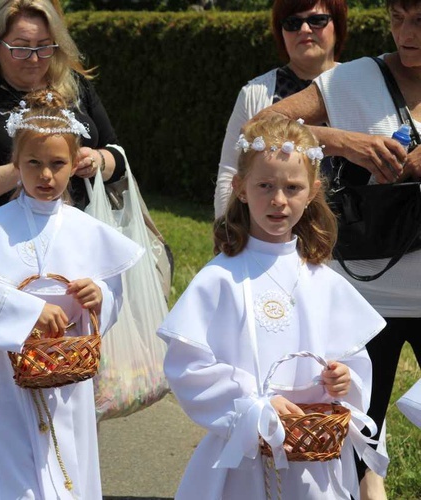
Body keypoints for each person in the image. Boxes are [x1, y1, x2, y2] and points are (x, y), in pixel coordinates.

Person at [158, 116, 387, 500]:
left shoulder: (322, 279)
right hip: (246, 456)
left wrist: (344, 380)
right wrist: (255, 403)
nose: (279, 200)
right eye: (265, 185)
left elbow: (353, 360)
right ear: (241, 188)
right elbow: (188, 364)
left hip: (313, 456)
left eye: (292, 187)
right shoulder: (221, 278)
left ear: (313, 192)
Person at [0, 89, 143, 499]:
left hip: (68, 373)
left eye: (57, 164)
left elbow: (114, 290)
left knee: (70, 458)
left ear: (73, 166)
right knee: (16, 466)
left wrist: (99, 292)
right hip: (10, 372)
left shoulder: (86, 229)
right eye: (34, 163)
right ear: (16, 164)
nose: (45, 175)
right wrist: (25, 310)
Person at [254, 1, 421, 497]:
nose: (405, 33)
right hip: (365, 295)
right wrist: (338, 141)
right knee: (348, 437)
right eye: (397, 18)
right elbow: (258, 130)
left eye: (420, 21)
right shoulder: (354, 80)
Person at [0, 0, 126, 415]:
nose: (34, 58)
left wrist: (97, 161)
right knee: (14, 381)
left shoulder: (76, 89)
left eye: (44, 47)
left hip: (71, 241)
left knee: (70, 372)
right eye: (21, 47)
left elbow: (117, 153)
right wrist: (22, 171)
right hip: (4, 246)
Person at [214, 0, 347, 218]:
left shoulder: (359, 85)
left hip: (352, 240)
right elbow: (231, 171)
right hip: (274, 235)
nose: (304, 29)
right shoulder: (255, 94)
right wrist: (226, 233)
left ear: (338, 26)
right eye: (292, 23)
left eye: (317, 20)